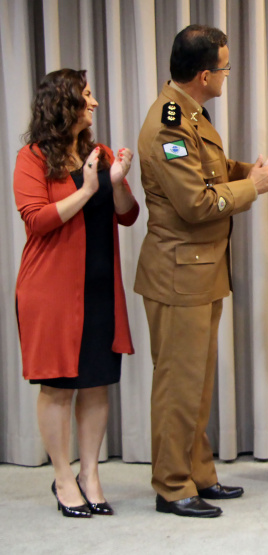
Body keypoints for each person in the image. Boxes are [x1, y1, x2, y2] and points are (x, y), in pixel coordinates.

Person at [135, 24, 268, 518]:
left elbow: (208, 171)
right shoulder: (168, 125)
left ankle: (198, 474)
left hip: (201, 271)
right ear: (205, 74)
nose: (228, 75)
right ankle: (170, 486)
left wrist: (248, 171)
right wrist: (258, 187)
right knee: (177, 385)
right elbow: (195, 204)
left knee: (198, 383)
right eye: (224, 68)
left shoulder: (190, 115)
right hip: (177, 275)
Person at [14, 69, 139, 517]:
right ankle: (63, 477)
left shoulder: (100, 153)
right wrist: (87, 189)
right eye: (87, 95)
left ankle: (91, 474)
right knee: (59, 386)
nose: (95, 103)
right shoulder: (31, 158)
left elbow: (127, 216)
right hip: (50, 290)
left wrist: (118, 180)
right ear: (65, 102)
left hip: (100, 287)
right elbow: (37, 220)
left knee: (95, 383)